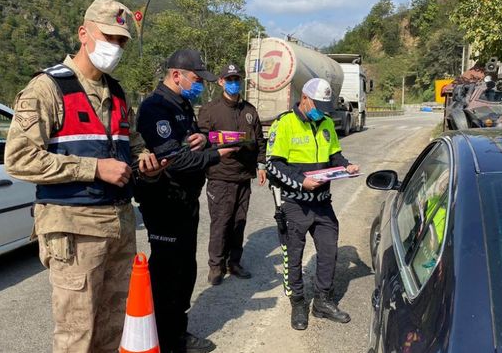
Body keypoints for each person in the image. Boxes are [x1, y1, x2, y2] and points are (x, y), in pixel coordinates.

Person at [4, 0, 166, 352]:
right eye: (109, 36)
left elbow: (132, 145)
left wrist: (146, 162)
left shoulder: (118, 93)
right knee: (77, 335)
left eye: (122, 41)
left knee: (115, 328)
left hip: (120, 225)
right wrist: (94, 168)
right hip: (74, 231)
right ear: (84, 34)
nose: (116, 47)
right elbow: (19, 159)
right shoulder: (47, 89)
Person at [134, 49, 236, 353]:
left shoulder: (182, 104)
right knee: (168, 271)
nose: (200, 86)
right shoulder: (156, 107)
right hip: (164, 200)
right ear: (176, 75)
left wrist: (203, 140)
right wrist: (217, 154)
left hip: (185, 200)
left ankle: (176, 329)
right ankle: (164, 338)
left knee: (185, 269)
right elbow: (174, 161)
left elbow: (189, 141)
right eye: (196, 79)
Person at [266, 77, 360, 331]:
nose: (320, 111)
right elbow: (273, 165)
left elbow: (334, 155)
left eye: (324, 106)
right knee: (293, 256)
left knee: (329, 251)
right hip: (295, 204)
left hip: (322, 203)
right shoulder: (284, 123)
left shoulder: (326, 122)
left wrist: (346, 165)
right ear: (305, 98)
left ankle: (322, 302)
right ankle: (298, 302)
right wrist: (300, 182)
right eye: (316, 105)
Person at [197, 63, 267, 285]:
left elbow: (260, 141)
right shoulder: (210, 110)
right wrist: (219, 142)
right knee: (221, 222)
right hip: (220, 176)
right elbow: (201, 140)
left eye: (237, 79)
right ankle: (215, 266)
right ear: (221, 81)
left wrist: (261, 165)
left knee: (239, 221)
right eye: (229, 79)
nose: (234, 83)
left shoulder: (249, 110)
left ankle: (234, 262)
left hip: (243, 176)